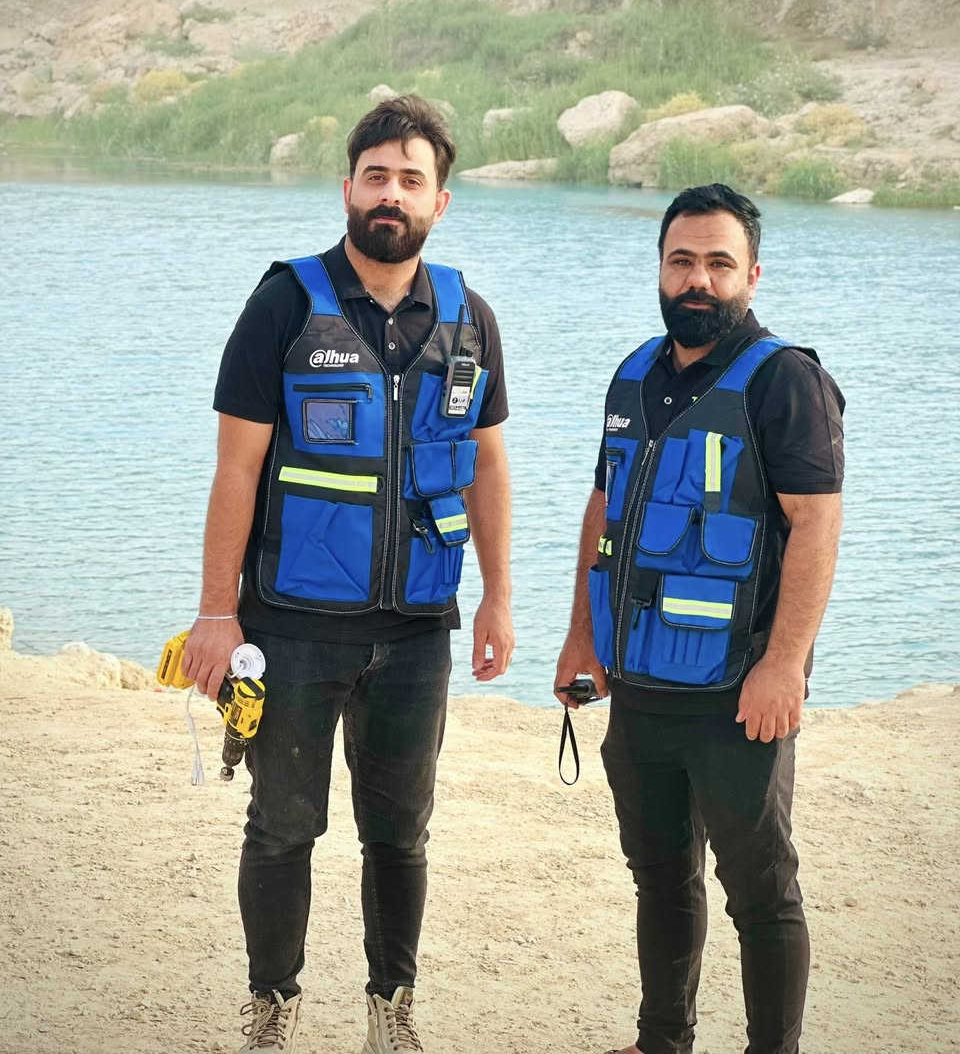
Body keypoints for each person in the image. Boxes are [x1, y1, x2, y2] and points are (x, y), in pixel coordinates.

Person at [183, 95, 514, 1054]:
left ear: (440, 201)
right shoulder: (284, 305)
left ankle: (389, 1010)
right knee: (283, 828)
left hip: (417, 629)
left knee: (400, 834)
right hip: (291, 625)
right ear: (347, 189)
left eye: (412, 179)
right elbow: (236, 468)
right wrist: (216, 613)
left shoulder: (469, 318)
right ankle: (272, 1008)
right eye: (376, 176)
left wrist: (497, 596)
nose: (391, 194)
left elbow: (488, 464)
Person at [554, 183, 844, 1054]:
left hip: (735, 692)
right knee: (660, 878)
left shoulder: (785, 381)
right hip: (640, 684)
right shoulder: (633, 375)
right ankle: (662, 1042)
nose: (699, 280)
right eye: (682, 261)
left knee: (760, 891)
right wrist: (583, 638)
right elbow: (605, 507)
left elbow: (816, 524)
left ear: (752, 275)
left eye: (720, 263)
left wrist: (784, 665)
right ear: (660, 269)